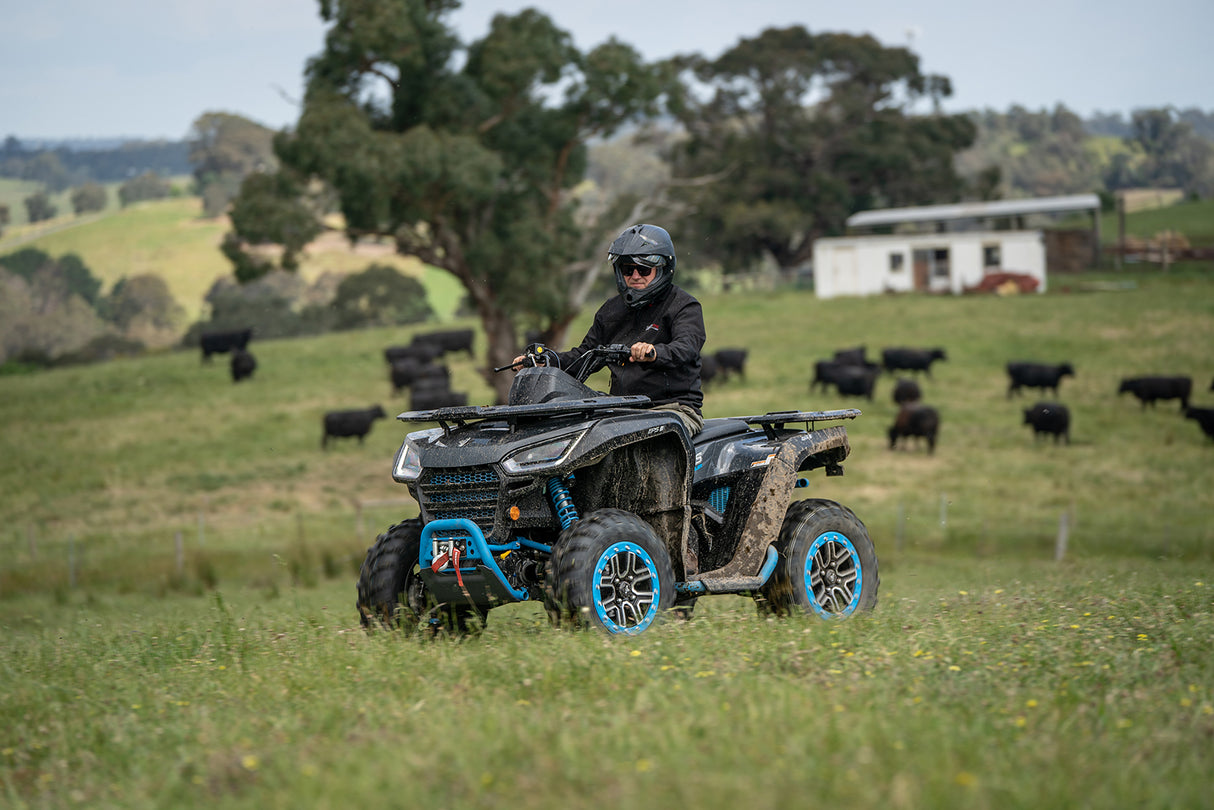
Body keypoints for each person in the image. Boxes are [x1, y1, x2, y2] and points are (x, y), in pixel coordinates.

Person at [518, 223, 706, 436]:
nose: (635, 276)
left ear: (663, 270)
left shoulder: (683, 306)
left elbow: (686, 347)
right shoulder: (611, 311)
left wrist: (653, 353)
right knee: (570, 435)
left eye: (644, 269)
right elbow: (584, 355)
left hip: (672, 410)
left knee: (643, 439)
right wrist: (544, 362)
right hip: (621, 409)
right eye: (628, 269)